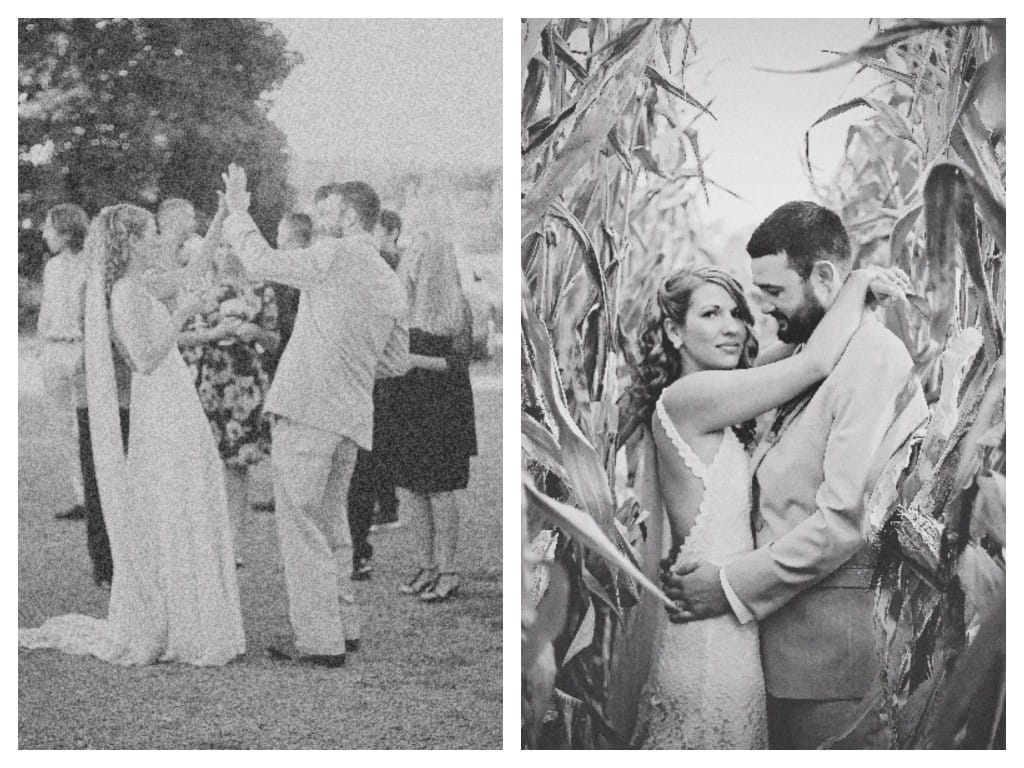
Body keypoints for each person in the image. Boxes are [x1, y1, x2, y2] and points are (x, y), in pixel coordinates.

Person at [657, 202, 929, 749]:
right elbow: (802, 367)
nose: (758, 314)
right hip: (766, 649)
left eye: (773, 293)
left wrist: (730, 585)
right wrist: (854, 290)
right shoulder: (799, 355)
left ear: (824, 276)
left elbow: (843, 520)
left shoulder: (872, 357)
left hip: (827, 658)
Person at [19, 204, 245, 666]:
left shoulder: (140, 285)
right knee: (170, 505)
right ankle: (182, 622)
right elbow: (143, 358)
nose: (157, 241)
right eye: (148, 234)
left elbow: (192, 270)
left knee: (190, 498)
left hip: (177, 401)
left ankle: (195, 616)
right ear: (131, 241)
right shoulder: (122, 292)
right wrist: (182, 314)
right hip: (159, 405)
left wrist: (221, 214)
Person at [221, 164, 409, 667]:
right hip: (350, 416)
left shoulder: (336, 253)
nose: (317, 216)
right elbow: (393, 361)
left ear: (349, 215)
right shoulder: (390, 280)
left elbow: (260, 262)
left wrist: (238, 212)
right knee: (334, 526)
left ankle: (319, 641)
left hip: (308, 410)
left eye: (326, 210)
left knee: (302, 525)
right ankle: (343, 627)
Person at [178, 196, 280, 567]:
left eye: (232, 244)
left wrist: (252, 329)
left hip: (242, 379)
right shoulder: (197, 285)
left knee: (237, 465)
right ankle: (205, 543)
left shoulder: (260, 287)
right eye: (221, 244)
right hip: (204, 375)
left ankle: (234, 545)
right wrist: (212, 331)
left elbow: (274, 339)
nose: (227, 251)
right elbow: (179, 333)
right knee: (202, 462)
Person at [387, 231, 477, 603]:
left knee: (440, 490)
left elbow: (460, 363)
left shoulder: (457, 306)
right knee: (413, 489)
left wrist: (416, 361)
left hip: (442, 405)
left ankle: (448, 568)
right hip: (409, 401)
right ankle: (425, 565)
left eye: (418, 257)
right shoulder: (403, 304)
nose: (412, 262)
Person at [346, 208, 405, 580]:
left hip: (372, 382)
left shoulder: (386, 269)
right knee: (358, 471)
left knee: (362, 471)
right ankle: (356, 548)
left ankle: (359, 548)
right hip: (365, 380)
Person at [37, 204, 89, 521]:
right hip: (54, 349)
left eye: (50, 228)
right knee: (63, 427)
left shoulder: (91, 266)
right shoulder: (52, 267)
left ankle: (96, 493)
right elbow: (48, 308)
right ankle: (81, 495)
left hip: (80, 348)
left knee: (85, 423)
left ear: (67, 231)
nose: (44, 233)